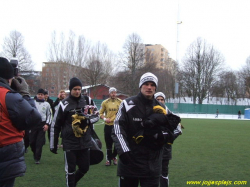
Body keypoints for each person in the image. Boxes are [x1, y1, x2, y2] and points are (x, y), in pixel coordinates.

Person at [112, 72, 180, 187]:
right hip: (130, 163)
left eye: (152, 85)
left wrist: (165, 136)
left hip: (152, 166)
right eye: (146, 84)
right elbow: (117, 128)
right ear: (140, 86)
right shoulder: (127, 104)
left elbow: (177, 126)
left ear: (155, 87)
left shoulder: (162, 107)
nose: (149, 87)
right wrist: (124, 152)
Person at [50, 77, 99, 187]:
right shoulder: (64, 104)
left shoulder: (88, 100)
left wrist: (88, 120)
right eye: (75, 89)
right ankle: (71, 184)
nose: (77, 91)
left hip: (85, 141)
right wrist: (53, 144)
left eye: (79, 89)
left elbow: (97, 115)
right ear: (70, 89)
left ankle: (73, 183)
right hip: (70, 143)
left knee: (85, 168)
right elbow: (55, 125)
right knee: (70, 170)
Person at [0, 57, 41, 187]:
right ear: (9, 77)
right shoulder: (8, 96)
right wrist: (24, 93)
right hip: (5, 151)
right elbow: (33, 118)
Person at [154, 92, 183, 187]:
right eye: (158, 99)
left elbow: (178, 129)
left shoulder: (170, 114)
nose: (160, 101)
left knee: (164, 173)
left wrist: (169, 139)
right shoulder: (150, 112)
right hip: (152, 149)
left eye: (162, 99)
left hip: (165, 149)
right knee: (151, 173)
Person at [99, 87, 122, 166]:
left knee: (116, 144)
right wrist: (105, 119)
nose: (113, 94)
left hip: (117, 126)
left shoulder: (120, 102)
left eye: (114, 92)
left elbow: (123, 112)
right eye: (112, 92)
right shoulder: (105, 102)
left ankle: (114, 157)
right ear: (109, 93)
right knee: (109, 144)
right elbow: (100, 114)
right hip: (108, 126)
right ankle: (108, 160)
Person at [30, 88, 52, 164]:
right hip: (33, 124)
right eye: (39, 94)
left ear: (44, 96)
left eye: (41, 94)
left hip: (42, 124)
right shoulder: (32, 103)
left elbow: (49, 115)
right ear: (37, 95)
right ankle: (35, 153)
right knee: (32, 142)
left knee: (39, 142)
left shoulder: (47, 104)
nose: (40, 96)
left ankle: (37, 158)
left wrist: (47, 124)